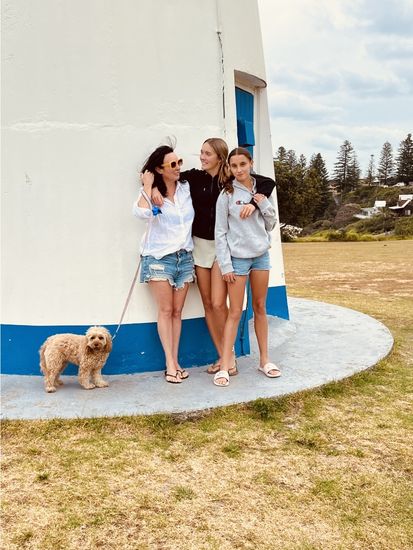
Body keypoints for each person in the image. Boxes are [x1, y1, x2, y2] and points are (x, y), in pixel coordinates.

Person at [151, 138, 276, 375]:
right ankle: (223, 357)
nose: (202, 157)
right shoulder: (194, 178)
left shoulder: (230, 183)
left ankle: (229, 357)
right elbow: (163, 175)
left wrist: (254, 202)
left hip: (222, 248)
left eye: (207, 153)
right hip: (199, 246)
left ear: (220, 157)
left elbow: (267, 183)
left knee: (220, 303)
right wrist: (153, 186)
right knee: (208, 303)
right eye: (201, 152)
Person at [213, 147, 280, 387]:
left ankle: (264, 360)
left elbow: (271, 224)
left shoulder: (262, 191)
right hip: (238, 260)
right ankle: (224, 366)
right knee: (234, 311)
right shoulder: (227, 194)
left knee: (260, 307)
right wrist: (226, 266)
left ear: (250, 163)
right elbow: (220, 233)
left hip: (261, 256)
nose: (239, 170)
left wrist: (261, 205)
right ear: (229, 168)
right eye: (234, 166)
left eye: (243, 164)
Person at [133, 145, 195, 384]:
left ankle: (176, 360)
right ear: (160, 169)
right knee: (166, 311)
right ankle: (170, 363)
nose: (178, 167)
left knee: (178, 312)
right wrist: (148, 187)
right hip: (159, 258)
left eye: (179, 161)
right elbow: (140, 214)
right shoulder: (150, 192)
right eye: (172, 164)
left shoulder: (186, 189)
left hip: (185, 257)